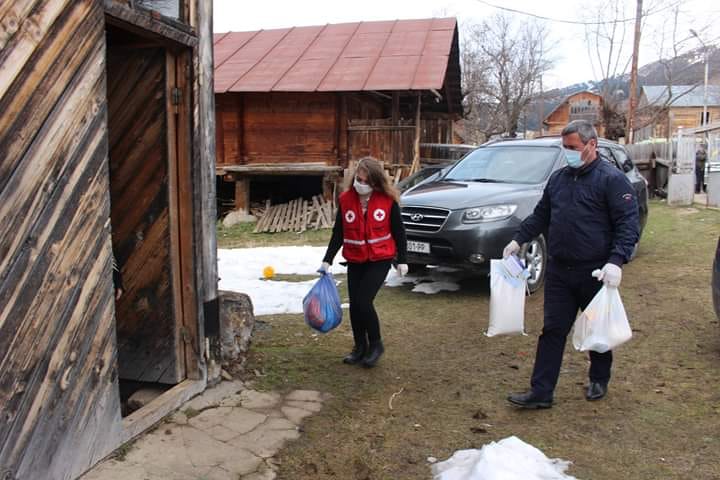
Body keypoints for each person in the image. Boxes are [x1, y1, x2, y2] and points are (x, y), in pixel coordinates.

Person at [504, 119, 640, 408]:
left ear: (592, 145)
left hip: (595, 271)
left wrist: (616, 261)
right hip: (559, 271)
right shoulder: (558, 179)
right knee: (552, 330)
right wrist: (518, 240)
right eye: (564, 147)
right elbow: (541, 215)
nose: (567, 152)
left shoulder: (611, 180)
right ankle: (541, 392)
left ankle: (599, 378)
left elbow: (628, 223)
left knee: (596, 329)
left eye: (572, 147)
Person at [321, 157, 408, 368]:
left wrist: (402, 260)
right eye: (359, 179)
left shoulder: (387, 201)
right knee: (355, 305)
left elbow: (399, 232)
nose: (361, 184)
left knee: (363, 301)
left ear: (376, 182)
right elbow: (338, 232)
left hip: (380, 258)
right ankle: (359, 347)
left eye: (366, 181)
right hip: (355, 258)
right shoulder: (346, 200)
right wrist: (327, 259)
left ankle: (376, 345)